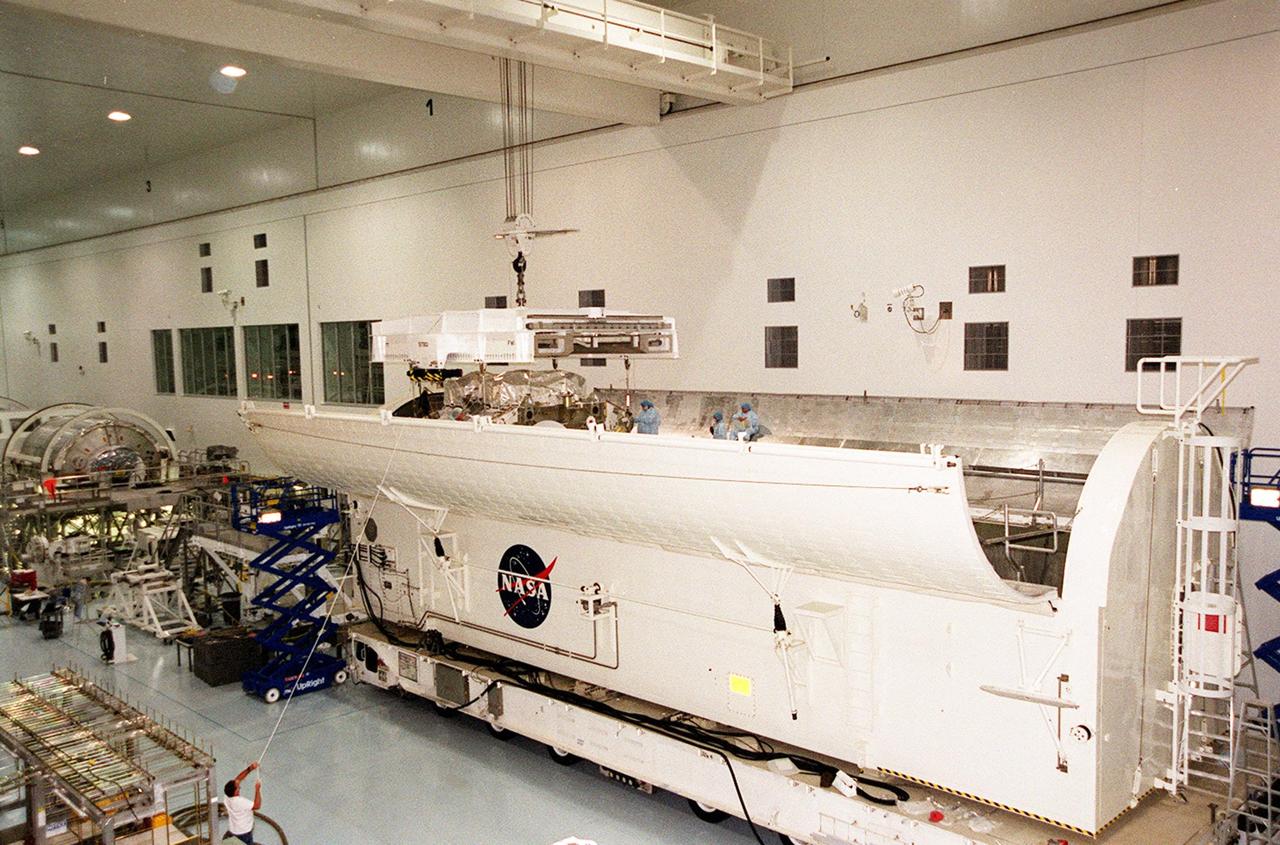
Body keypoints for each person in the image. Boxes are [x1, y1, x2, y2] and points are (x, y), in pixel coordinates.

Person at [224, 762, 262, 844]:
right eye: (238, 788)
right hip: (244, 833)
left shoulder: (227, 797)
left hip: (234, 830)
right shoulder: (240, 802)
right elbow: (257, 805)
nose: (240, 787)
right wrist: (257, 789)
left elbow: (238, 779)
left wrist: (250, 768)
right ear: (235, 792)